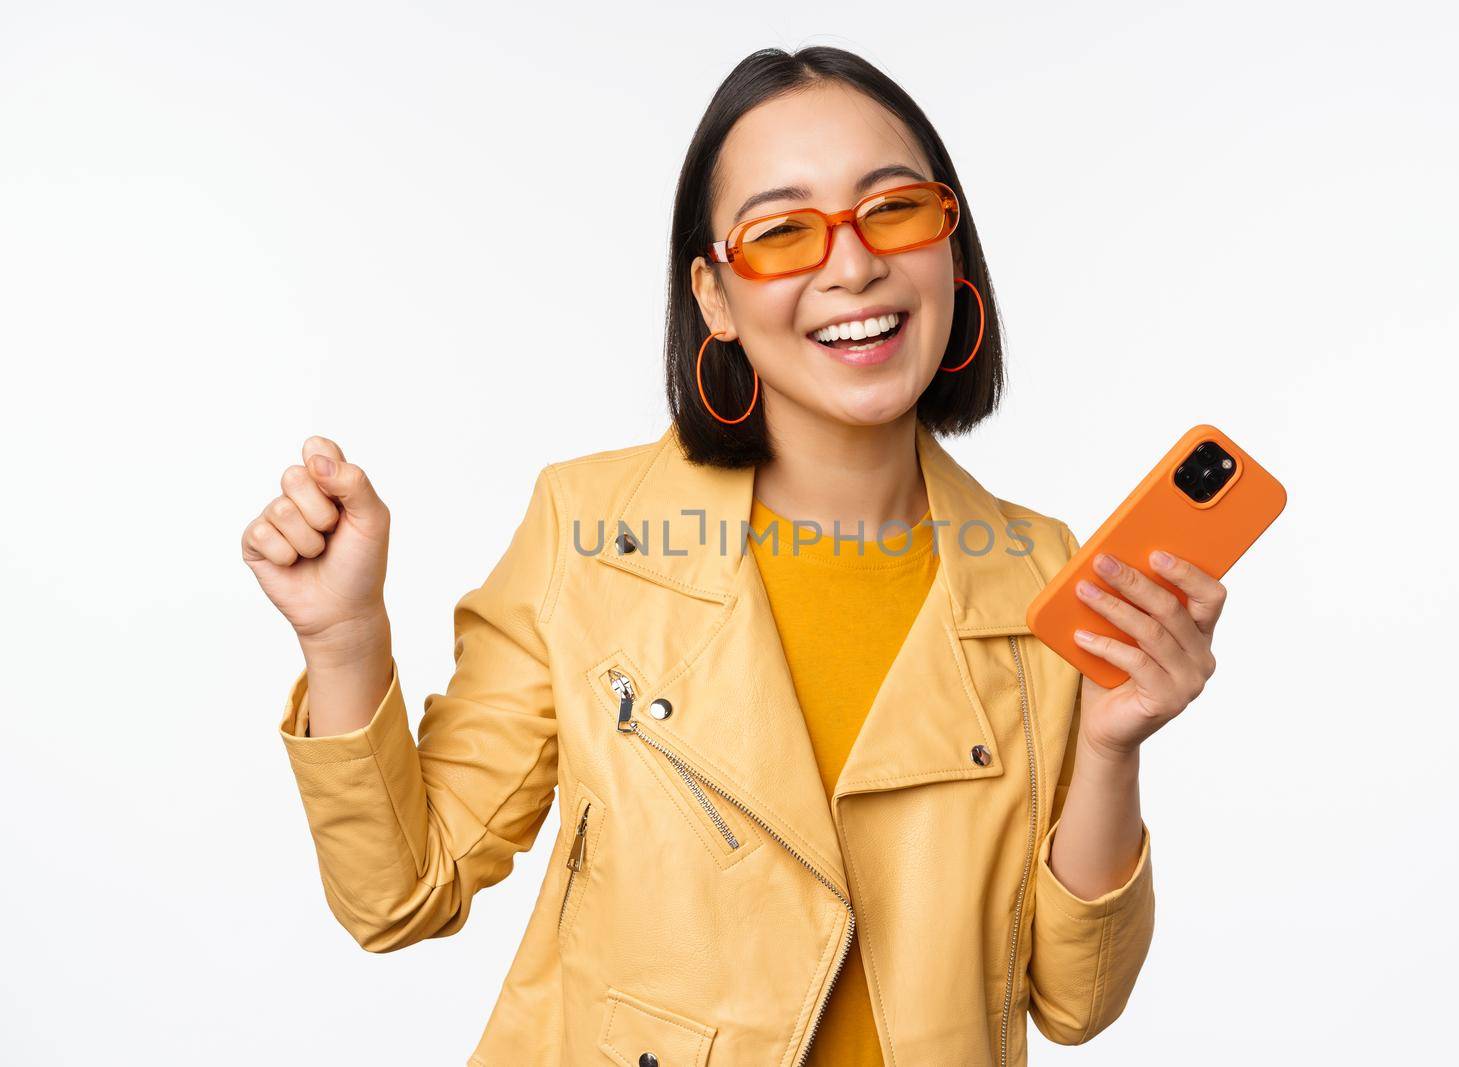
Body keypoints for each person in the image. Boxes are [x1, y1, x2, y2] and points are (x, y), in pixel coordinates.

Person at [242, 45, 1227, 1067]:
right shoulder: (588, 528)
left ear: (952, 250)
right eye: (782, 230)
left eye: (893, 209)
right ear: (712, 297)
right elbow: (401, 894)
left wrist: (1112, 746)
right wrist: (345, 638)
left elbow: (1074, 1002)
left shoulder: (1041, 571)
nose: (851, 266)